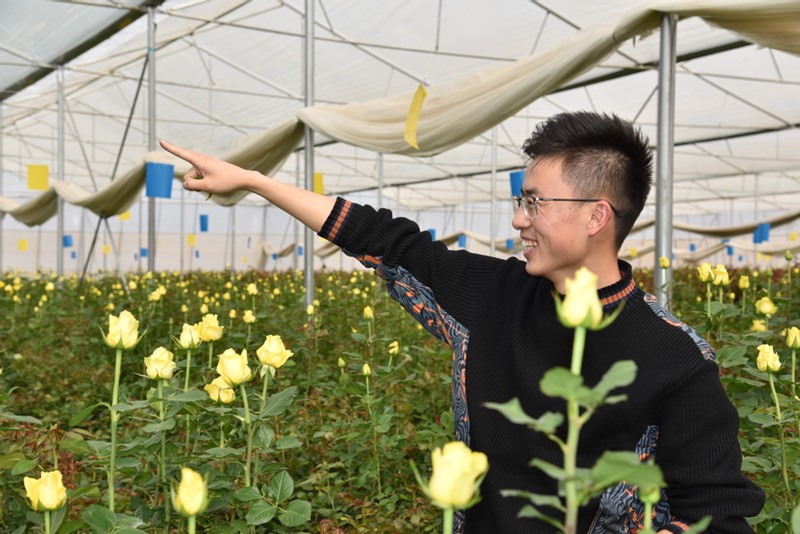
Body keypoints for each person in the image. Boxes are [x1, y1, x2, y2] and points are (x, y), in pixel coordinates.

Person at [160, 111, 764, 533]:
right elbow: (388, 242)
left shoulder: (676, 358)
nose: (520, 220)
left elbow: (714, 511)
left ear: (596, 215)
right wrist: (257, 183)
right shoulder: (494, 296)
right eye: (519, 200)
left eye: (534, 202)